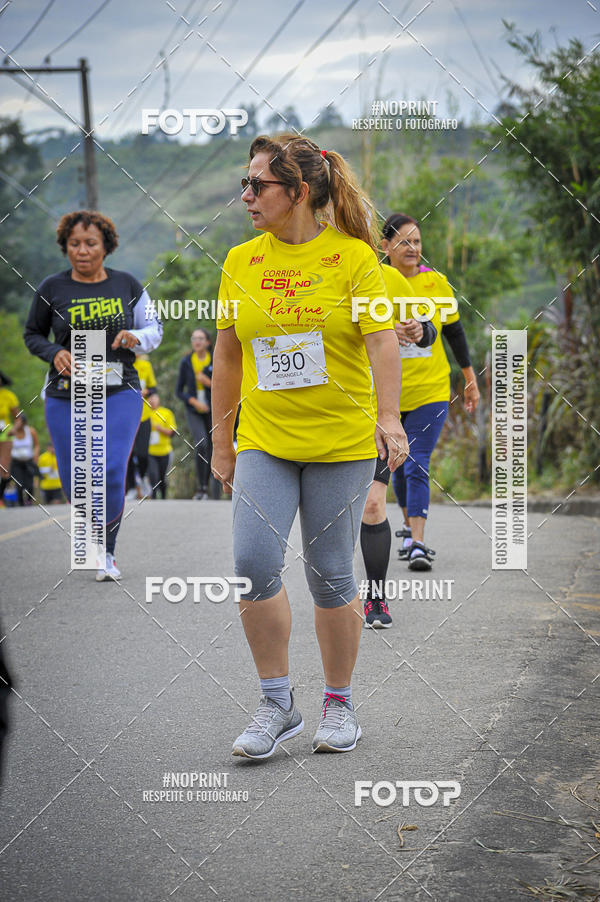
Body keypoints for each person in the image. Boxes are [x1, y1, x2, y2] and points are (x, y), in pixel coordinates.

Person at [211, 133, 409, 759]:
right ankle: (276, 704)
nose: (246, 195)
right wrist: (221, 442)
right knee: (253, 564)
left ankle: (338, 701)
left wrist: (389, 419)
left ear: (297, 192)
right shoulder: (240, 262)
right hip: (265, 440)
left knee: (330, 575)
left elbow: (382, 342)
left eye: (257, 185)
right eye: (245, 183)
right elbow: (227, 354)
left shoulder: (355, 261)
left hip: (341, 443)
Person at [23, 210, 162, 580]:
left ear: (106, 247)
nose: (82, 251)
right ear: (65, 247)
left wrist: (137, 338)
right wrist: (55, 352)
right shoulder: (52, 288)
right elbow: (32, 334)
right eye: (74, 244)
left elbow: (154, 328)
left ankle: (107, 553)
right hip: (65, 394)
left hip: (119, 388)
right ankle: (91, 536)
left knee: (112, 468)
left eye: (90, 244)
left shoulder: (128, 285)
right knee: (74, 477)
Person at [382, 213, 480, 571]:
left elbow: (454, 332)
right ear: (385, 246)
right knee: (397, 465)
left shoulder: (437, 283)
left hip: (431, 389)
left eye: (417, 241)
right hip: (386, 395)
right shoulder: (373, 281)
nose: (413, 248)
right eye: (404, 241)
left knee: (416, 461)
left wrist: (469, 378)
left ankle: (419, 543)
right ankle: (408, 527)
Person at [360, 262, 437, 627]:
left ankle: (376, 600)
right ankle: (333, 597)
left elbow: (429, 331)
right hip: (333, 411)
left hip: (377, 412)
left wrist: (419, 330)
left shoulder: (387, 278)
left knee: (374, 502)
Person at [176, 328, 213, 499]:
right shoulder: (186, 362)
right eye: (194, 338)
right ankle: (201, 488)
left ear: (208, 342)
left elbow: (226, 386)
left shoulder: (216, 360)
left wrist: (209, 383)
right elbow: (179, 391)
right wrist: (193, 401)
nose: (197, 341)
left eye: (200, 338)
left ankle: (208, 489)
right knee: (201, 444)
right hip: (194, 410)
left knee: (212, 448)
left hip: (212, 410)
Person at [126, 354, 157, 499]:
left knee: (143, 453)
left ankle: (144, 477)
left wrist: (152, 394)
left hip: (144, 415)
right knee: (128, 453)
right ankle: (131, 487)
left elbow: (152, 388)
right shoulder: (121, 363)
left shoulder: (145, 365)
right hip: (126, 416)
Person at [148, 393, 176, 499]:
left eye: (154, 397)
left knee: (162, 478)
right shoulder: (144, 413)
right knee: (153, 476)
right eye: (150, 398)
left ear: (159, 399)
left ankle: (163, 499)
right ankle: (154, 498)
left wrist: (159, 428)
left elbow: (172, 432)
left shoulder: (166, 413)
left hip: (165, 451)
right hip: (150, 452)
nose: (152, 400)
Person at [9, 414, 39, 506]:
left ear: (24, 422)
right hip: (16, 462)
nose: (17, 423)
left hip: (28, 461)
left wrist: (35, 457)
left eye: (19, 421)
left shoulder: (31, 431)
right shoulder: (10, 432)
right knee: (19, 483)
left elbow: (37, 445)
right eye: (15, 421)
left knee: (29, 484)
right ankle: (21, 503)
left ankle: (29, 501)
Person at [0, 371, 20, 505]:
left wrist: (14, 428)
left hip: (5, 433)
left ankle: (0, 498)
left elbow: (18, 418)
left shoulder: (8, 396)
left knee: (3, 468)